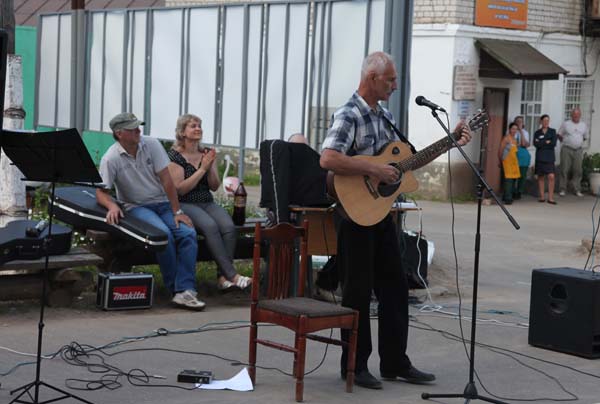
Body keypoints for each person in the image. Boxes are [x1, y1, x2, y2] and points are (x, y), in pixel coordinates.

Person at [319, 51, 471, 390]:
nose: (395, 85)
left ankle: (394, 362)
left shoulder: (384, 116)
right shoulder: (349, 114)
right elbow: (328, 158)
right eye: (390, 79)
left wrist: (452, 141)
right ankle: (354, 367)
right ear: (372, 78)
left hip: (382, 215)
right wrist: (372, 168)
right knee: (357, 293)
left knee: (395, 287)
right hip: (354, 216)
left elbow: (401, 166)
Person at [96, 113, 205, 310]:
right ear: (119, 133)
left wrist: (177, 211)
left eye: (138, 126)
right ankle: (176, 290)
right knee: (163, 236)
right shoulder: (110, 158)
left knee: (188, 233)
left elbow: (167, 180)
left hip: (163, 203)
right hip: (136, 207)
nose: (139, 130)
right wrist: (112, 205)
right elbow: (101, 193)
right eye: (133, 128)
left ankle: (187, 289)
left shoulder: (152, 144)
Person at [167, 114, 251, 292]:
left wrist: (211, 166)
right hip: (185, 203)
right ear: (182, 132)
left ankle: (222, 276)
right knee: (210, 226)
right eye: (192, 126)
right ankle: (232, 275)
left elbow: (214, 186)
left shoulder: (205, 153)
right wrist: (202, 169)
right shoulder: (175, 156)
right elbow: (180, 189)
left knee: (228, 226)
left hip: (206, 201)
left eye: (199, 125)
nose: (198, 128)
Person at [558, 108, 588, 197]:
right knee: (564, 169)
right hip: (567, 149)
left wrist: (577, 141)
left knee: (578, 170)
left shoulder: (583, 125)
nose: (576, 117)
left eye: (578, 115)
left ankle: (577, 189)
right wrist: (567, 141)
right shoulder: (566, 124)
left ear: (580, 115)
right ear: (571, 115)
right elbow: (559, 134)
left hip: (578, 150)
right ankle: (562, 189)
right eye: (574, 115)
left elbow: (585, 137)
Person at [533, 114, 558, 204]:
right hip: (540, 157)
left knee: (551, 176)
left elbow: (553, 143)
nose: (546, 122)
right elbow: (536, 145)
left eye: (547, 120)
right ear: (541, 121)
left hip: (549, 157)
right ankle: (542, 197)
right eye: (544, 120)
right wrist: (546, 142)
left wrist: (542, 142)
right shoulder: (537, 132)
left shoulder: (552, 131)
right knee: (541, 177)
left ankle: (551, 198)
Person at [498, 123, 520, 205]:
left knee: (513, 179)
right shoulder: (506, 139)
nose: (514, 130)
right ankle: (508, 198)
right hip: (506, 162)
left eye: (516, 129)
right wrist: (500, 160)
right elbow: (500, 150)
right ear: (509, 129)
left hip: (514, 162)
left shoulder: (515, 139)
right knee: (508, 180)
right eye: (513, 129)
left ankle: (506, 195)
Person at [514, 116, 531, 199]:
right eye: (517, 121)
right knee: (513, 174)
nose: (519, 123)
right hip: (513, 154)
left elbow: (525, 144)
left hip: (523, 154)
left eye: (521, 122)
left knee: (522, 175)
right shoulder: (511, 131)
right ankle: (512, 191)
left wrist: (520, 131)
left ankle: (519, 191)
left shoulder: (525, 132)